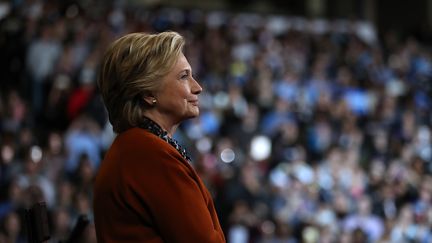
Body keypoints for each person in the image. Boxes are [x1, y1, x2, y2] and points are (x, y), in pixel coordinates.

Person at [93, 31, 226, 242]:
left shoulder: (136, 148)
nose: (197, 87)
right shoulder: (149, 156)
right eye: (184, 76)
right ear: (148, 93)